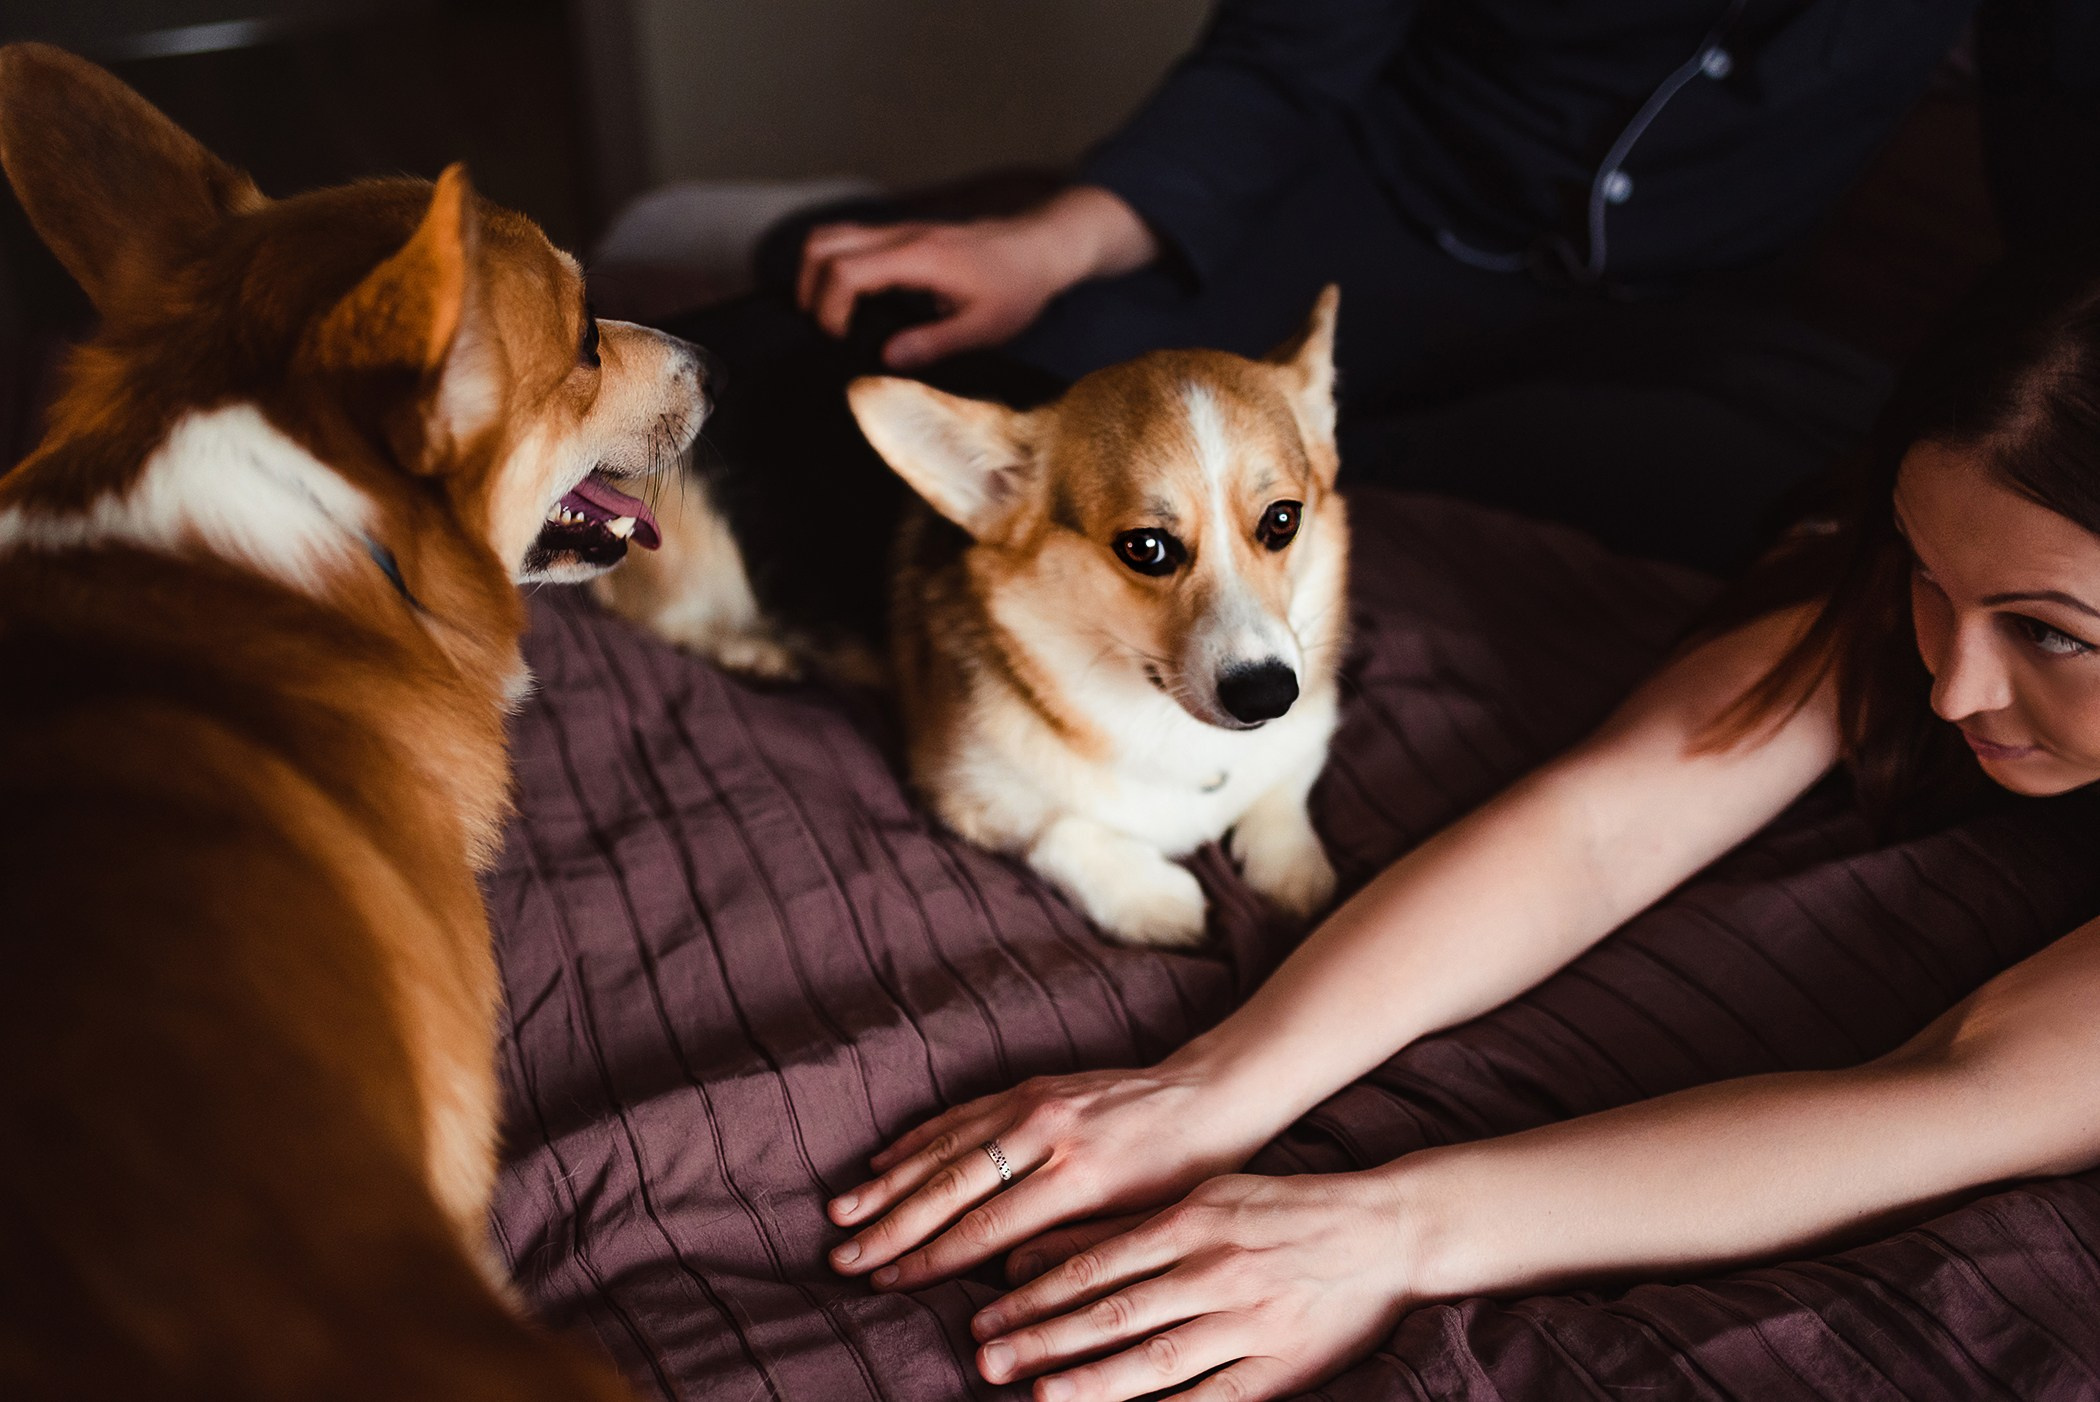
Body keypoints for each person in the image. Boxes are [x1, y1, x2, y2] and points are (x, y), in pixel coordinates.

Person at [817, 246, 2100, 1402]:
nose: (1951, 689)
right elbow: (1605, 823)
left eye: (2050, 633)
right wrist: (1205, 1090)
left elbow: (1968, 1089)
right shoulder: (1930, 578)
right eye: (1927, 580)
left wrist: (1385, 1232)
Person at [782, 0, 2100, 569]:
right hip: (1379, 219)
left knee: (1857, 490)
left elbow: (2058, 172)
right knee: (957, 361)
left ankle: (1376, 477)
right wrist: (1046, 244)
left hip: (1695, 315)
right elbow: (1279, 65)